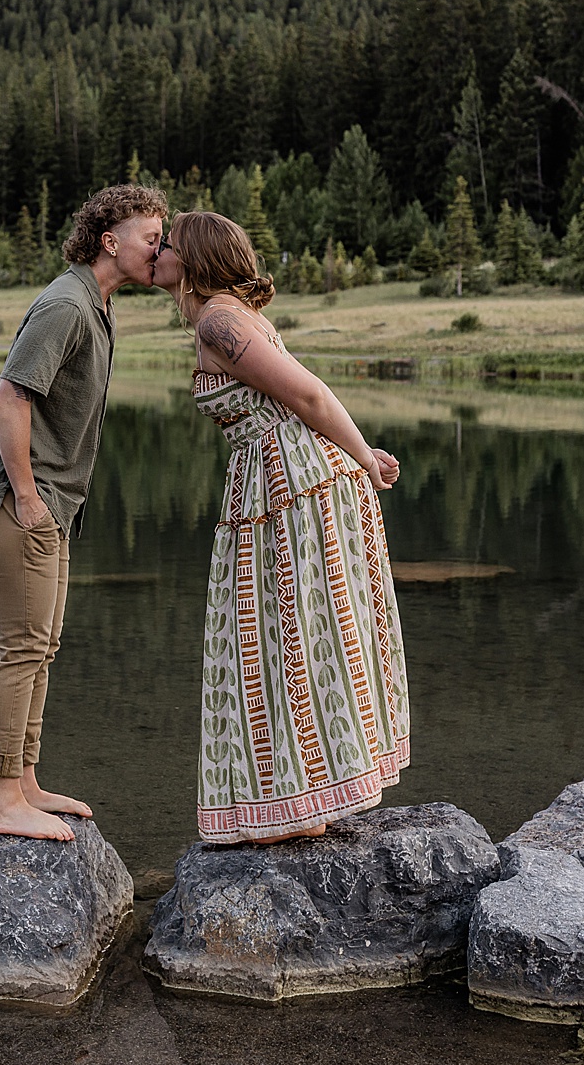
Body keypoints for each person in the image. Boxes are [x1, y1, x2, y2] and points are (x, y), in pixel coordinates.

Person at [153, 209, 409, 844]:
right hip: (271, 480)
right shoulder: (220, 317)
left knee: (291, 634)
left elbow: (308, 396)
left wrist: (365, 457)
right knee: (278, 634)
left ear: (194, 258)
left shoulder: (219, 318)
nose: (157, 251)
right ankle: (298, 797)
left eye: (169, 244)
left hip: (294, 484)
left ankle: (300, 801)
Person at [0, 182, 168, 841]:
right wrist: (25, 495)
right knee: (19, 645)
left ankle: (24, 783)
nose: (161, 250)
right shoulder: (67, 304)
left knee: (40, 646)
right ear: (111, 241)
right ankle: (1, 802)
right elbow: (10, 399)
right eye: (151, 238)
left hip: (45, 504)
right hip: (13, 502)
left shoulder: (96, 304)